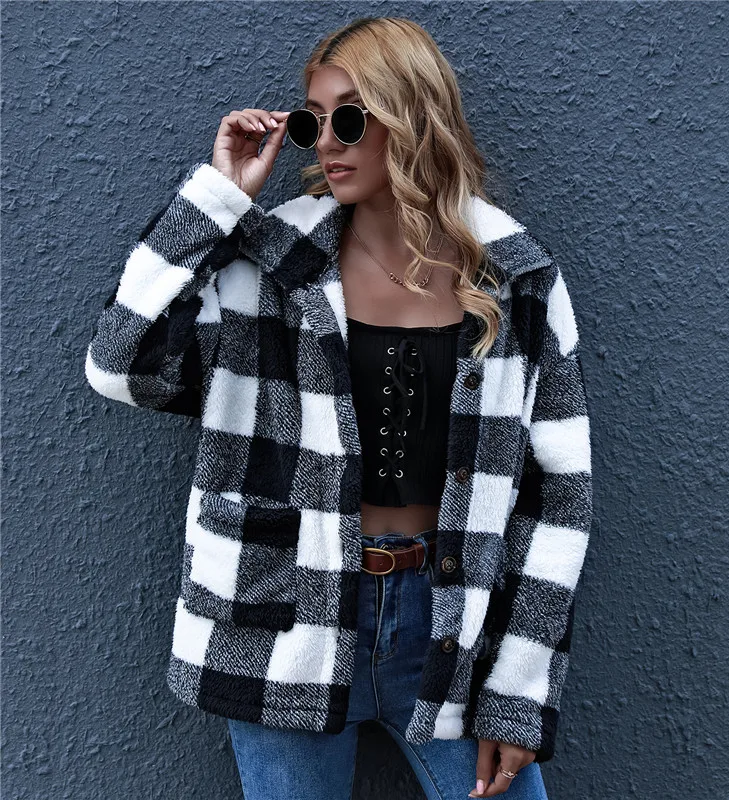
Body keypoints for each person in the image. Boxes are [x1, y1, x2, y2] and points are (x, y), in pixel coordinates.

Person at [85, 15, 593, 800]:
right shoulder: (268, 264)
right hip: (282, 614)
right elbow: (119, 364)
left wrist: (519, 690)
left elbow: (559, 496)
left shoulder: (516, 279)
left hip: (450, 624)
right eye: (311, 122)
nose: (325, 142)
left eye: (350, 119)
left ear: (412, 117)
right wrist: (218, 199)